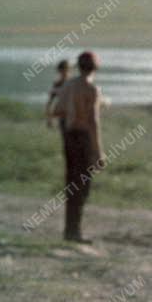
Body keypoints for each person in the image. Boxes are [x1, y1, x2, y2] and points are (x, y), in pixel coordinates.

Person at [52, 51, 105, 243]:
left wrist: (72, 114)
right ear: (95, 68)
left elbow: (57, 110)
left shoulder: (68, 85)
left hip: (69, 137)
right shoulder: (91, 89)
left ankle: (70, 230)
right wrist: (99, 152)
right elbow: (93, 122)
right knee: (83, 185)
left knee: (71, 183)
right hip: (83, 139)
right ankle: (74, 232)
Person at [45, 59, 70, 129]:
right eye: (62, 71)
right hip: (63, 114)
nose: (64, 73)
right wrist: (49, 119)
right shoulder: (57, 84)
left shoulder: (73, 82)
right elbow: (49, 102)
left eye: (66, 70)